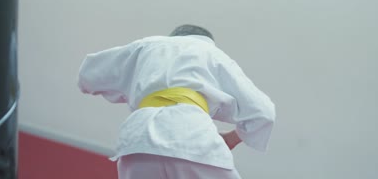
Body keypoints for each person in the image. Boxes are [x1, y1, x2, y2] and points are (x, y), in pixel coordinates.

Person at [77, 24, 276, 179]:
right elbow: (263, 112)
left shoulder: (147, 46)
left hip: (137, 139)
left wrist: (128, 88)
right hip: (192, 136)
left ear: (172, 37)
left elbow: (87, 76)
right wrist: (232, 138)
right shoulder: (212, 54)